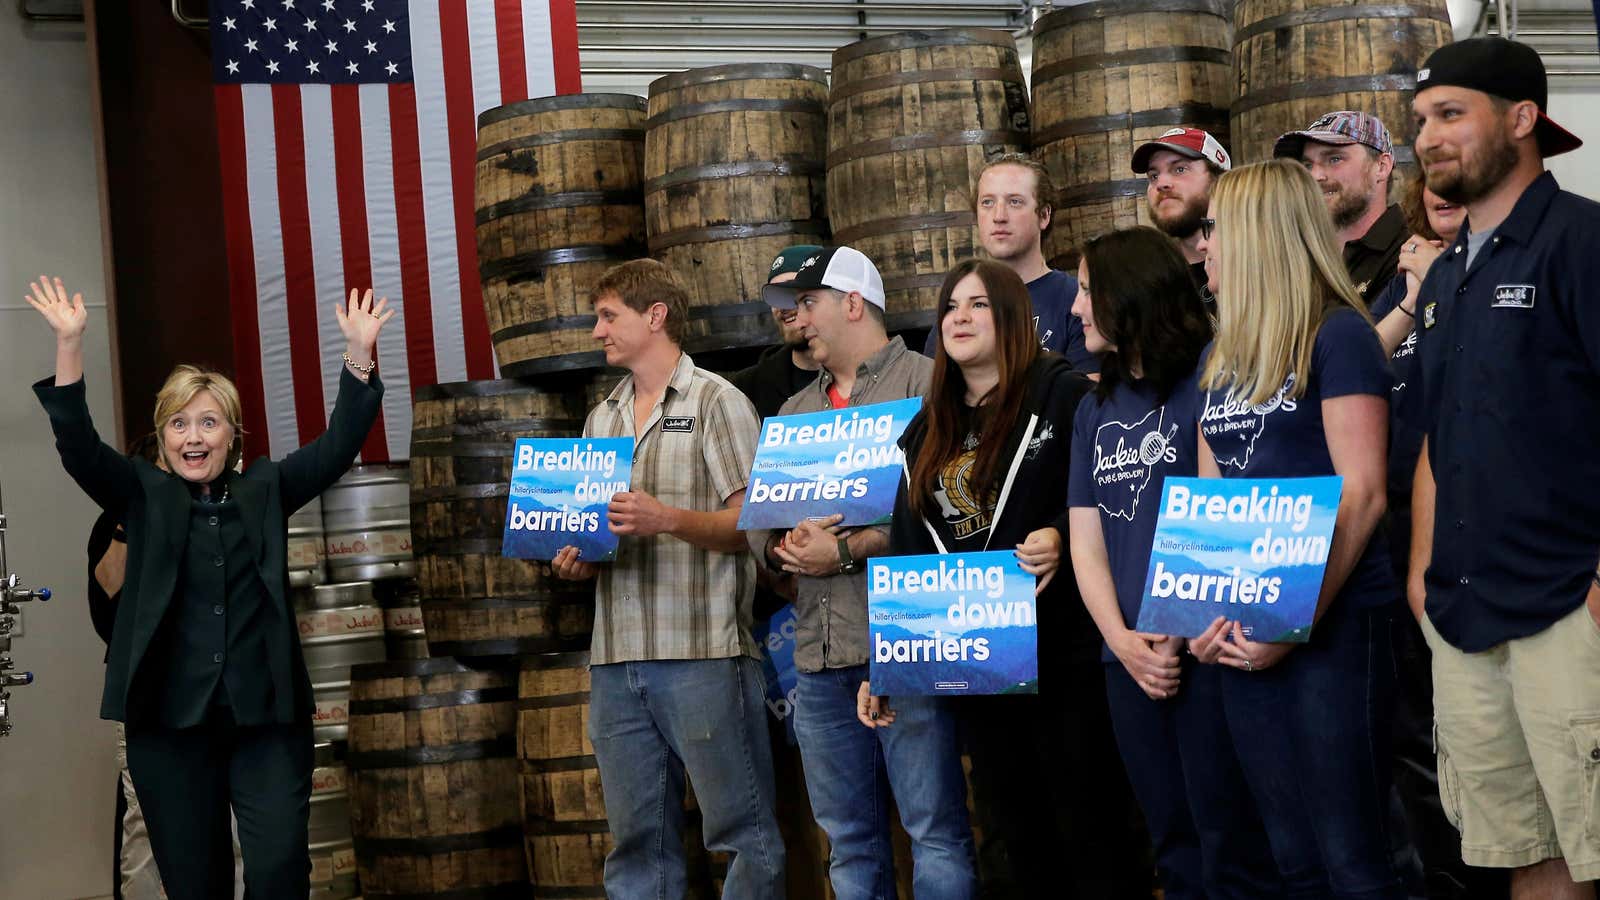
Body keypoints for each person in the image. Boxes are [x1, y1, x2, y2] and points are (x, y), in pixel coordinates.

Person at [28, 277, 390, 898]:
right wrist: (69, 343)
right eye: (179, 425)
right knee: (197, 887)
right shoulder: (142, 493)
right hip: (169, 730)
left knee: (278, 871)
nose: (193, 436)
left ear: (233, 435)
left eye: (208, 422)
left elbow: (337, 448)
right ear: (163, 441)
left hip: (266, 725)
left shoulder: (267, 488)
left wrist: (359, 355)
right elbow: (80, 448)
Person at [879, 258, 1151, 897]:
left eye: (977, 305)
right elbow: (910, 545)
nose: (959, 318)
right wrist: (884, 657)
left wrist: (1060, 531)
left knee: (1093, 827)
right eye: (949, 307)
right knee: (1011, 835)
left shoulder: (1064, 392)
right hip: (981, 665)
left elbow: (1118, 492)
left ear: (1012, 319)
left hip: (1065, 653)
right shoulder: (925, 429)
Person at [1407, 37, 1598, 897]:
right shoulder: (1446, 276)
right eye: (1419, 120)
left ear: (1522, 120)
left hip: (1567, 608)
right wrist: (1420, 571)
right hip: (1465, 615)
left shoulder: (1583, 242)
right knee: (1524, 855)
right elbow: (1437, 441)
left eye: (1451, 114)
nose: (1426, 138)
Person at [1188, 159, 1404, 898]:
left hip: (1333, 630)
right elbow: (1207, 506)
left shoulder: (1339, 336)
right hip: (1242, 638)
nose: (1204, 245)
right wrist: (1200, 619)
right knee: (1293, 859)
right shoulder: (1222, 356)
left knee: (1355, 858)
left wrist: (1292, 623)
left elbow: (1365, 495)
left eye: (1215, 229)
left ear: (1258, 235)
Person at [549, 258, 786, 898]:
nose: (597, 331)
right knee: (635, 846)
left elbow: (754, 526)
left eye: (608, 316)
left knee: (743, 833)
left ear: (655, 317)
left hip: (704, 652)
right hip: (616, 658)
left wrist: (667, 518)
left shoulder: (718, 401)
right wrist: (579, 557)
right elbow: (601, 532)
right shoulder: (602, 418)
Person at [752, 245, 974, 898]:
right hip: (818, 659)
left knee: (934, 828)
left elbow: (952, 513)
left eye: (808, 303)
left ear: (853, 303)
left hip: (908, 641)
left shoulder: (928, 384)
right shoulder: (793, 412)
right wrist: (785, 549)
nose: (796, 317)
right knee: (847, 842)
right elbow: (761, 533)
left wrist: (844, 549)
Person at [1066, 227, 1281, 900]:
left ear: (1126, 295)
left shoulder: (1211, 377)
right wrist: (1122, 641)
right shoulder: (1091, 409)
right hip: (1129, 660)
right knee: (1173, 846)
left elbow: (1226, 508)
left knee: (1233, 844)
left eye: (1084, 291)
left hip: (1208, 648)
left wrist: (1179, 621)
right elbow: (1086, 540)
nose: (1076, 310)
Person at [1367, 178, 1509, 900]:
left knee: (1482, 741)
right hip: (1397, 543)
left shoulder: (1505, 280)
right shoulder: (1403, 286)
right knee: (1410, 736)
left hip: (1487, 548)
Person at [922, 154, 1096, 375]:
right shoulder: (956, 309)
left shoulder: (1076, 300)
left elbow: (1089, 401)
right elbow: (932, 395)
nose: (999, 216)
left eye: (1015, 202)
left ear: (1044, 215)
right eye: (987, 202)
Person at [1275, 111, 1408, 301]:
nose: (1315, 176)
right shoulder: (1300, 252)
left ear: (1381, 167)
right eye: (1307, 165)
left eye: (1334, 159)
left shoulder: (1408, 251)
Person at [1132, 127, 1233, 300]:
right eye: (1153, 176)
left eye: (1179, 169)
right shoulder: (1148, 280)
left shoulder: (1257, 264)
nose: (1161, 183)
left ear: (1218, 180)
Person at [727, 244, 824, 420]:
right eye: (774, 295)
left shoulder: (863, 375)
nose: (782, 306)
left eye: (792, 290)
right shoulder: (747, 388)